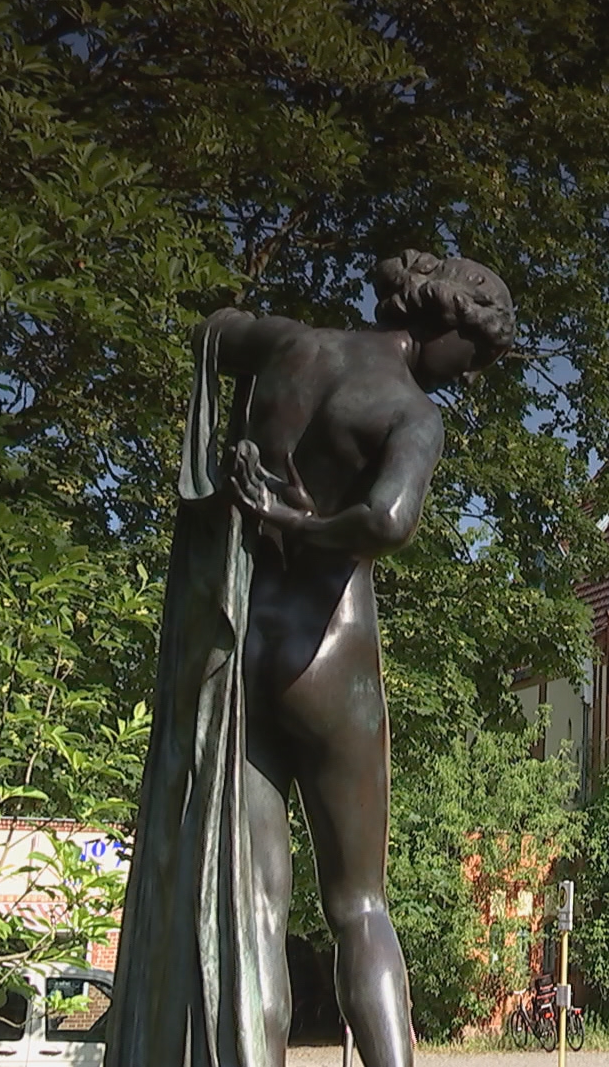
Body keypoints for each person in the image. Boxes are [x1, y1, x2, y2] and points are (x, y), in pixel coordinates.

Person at [104, 250, 515, 1067]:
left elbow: (211, 335)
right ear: (441, 324)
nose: (467, 378)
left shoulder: (290, 346)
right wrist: (306, 528)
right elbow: (391, 521)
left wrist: (237, 476)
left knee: (251, 912)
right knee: (359, 905)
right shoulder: (409, 414)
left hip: (239, 653)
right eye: (473, 357)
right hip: (330, 659)